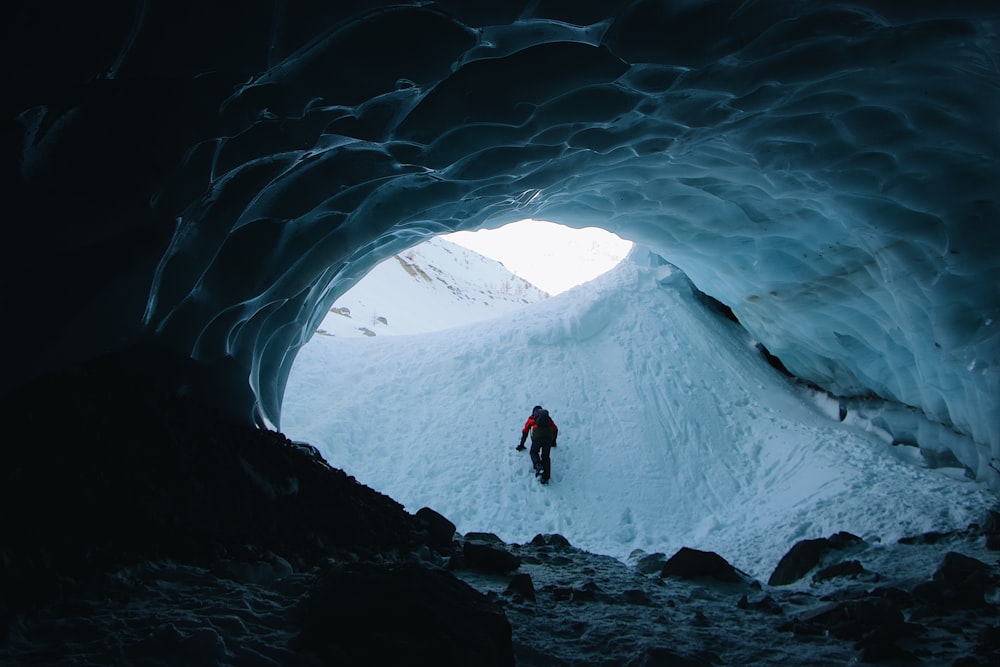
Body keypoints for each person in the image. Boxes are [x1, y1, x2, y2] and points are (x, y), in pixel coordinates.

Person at [516, 405, 558, 484]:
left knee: (534, 452)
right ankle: (545, 478)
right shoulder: (548, 419)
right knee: (545, 457)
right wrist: (553, 441)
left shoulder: (532, 419)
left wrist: (521, 444)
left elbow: (525, 431)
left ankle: (538, 464)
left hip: (537, 438)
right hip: (548, 437)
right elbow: (555, 429)